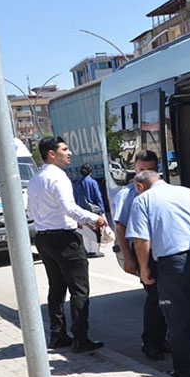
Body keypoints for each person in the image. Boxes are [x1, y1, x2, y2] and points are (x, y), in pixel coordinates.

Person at [125, 170, 190, 377]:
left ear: (140, 186)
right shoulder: (188, 193)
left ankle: (183, 370)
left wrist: (144, 269)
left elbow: (141, 240)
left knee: (177, 319)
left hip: (172, 265)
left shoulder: (142, 201)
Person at [27, 137, 106, 352]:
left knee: (56, 288)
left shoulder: (35, 179)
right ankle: (81, 339)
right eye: (64, 149)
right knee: (79, 290)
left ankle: (58, 334)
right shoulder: (58, 177)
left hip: (44, 238)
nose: (69, 152)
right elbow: (70, 208)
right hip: (64, 240)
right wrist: (95, 218)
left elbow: (30, 212)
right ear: (52, 154)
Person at [114, 150, 169, 361]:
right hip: (142, 253)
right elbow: (121, 228)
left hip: (162, 251)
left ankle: (160, 339)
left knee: (165, 299)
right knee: (155, 299)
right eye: (141, 169)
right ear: (135, 168)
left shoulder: (161, 191)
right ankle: (150, 343)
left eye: (150, 169)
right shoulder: (127, 194)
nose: (144, 174)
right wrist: (128, 257)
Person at [73, 163, 105, 258]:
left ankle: (88, 250)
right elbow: (98, 197)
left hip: (81, 211)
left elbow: (75, 198)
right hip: (92, 211)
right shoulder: (92, 182)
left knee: (85, 231)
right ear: (90, 172)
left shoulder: (76, 184)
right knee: (95, 230)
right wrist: (102, 210)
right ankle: (95, 251)